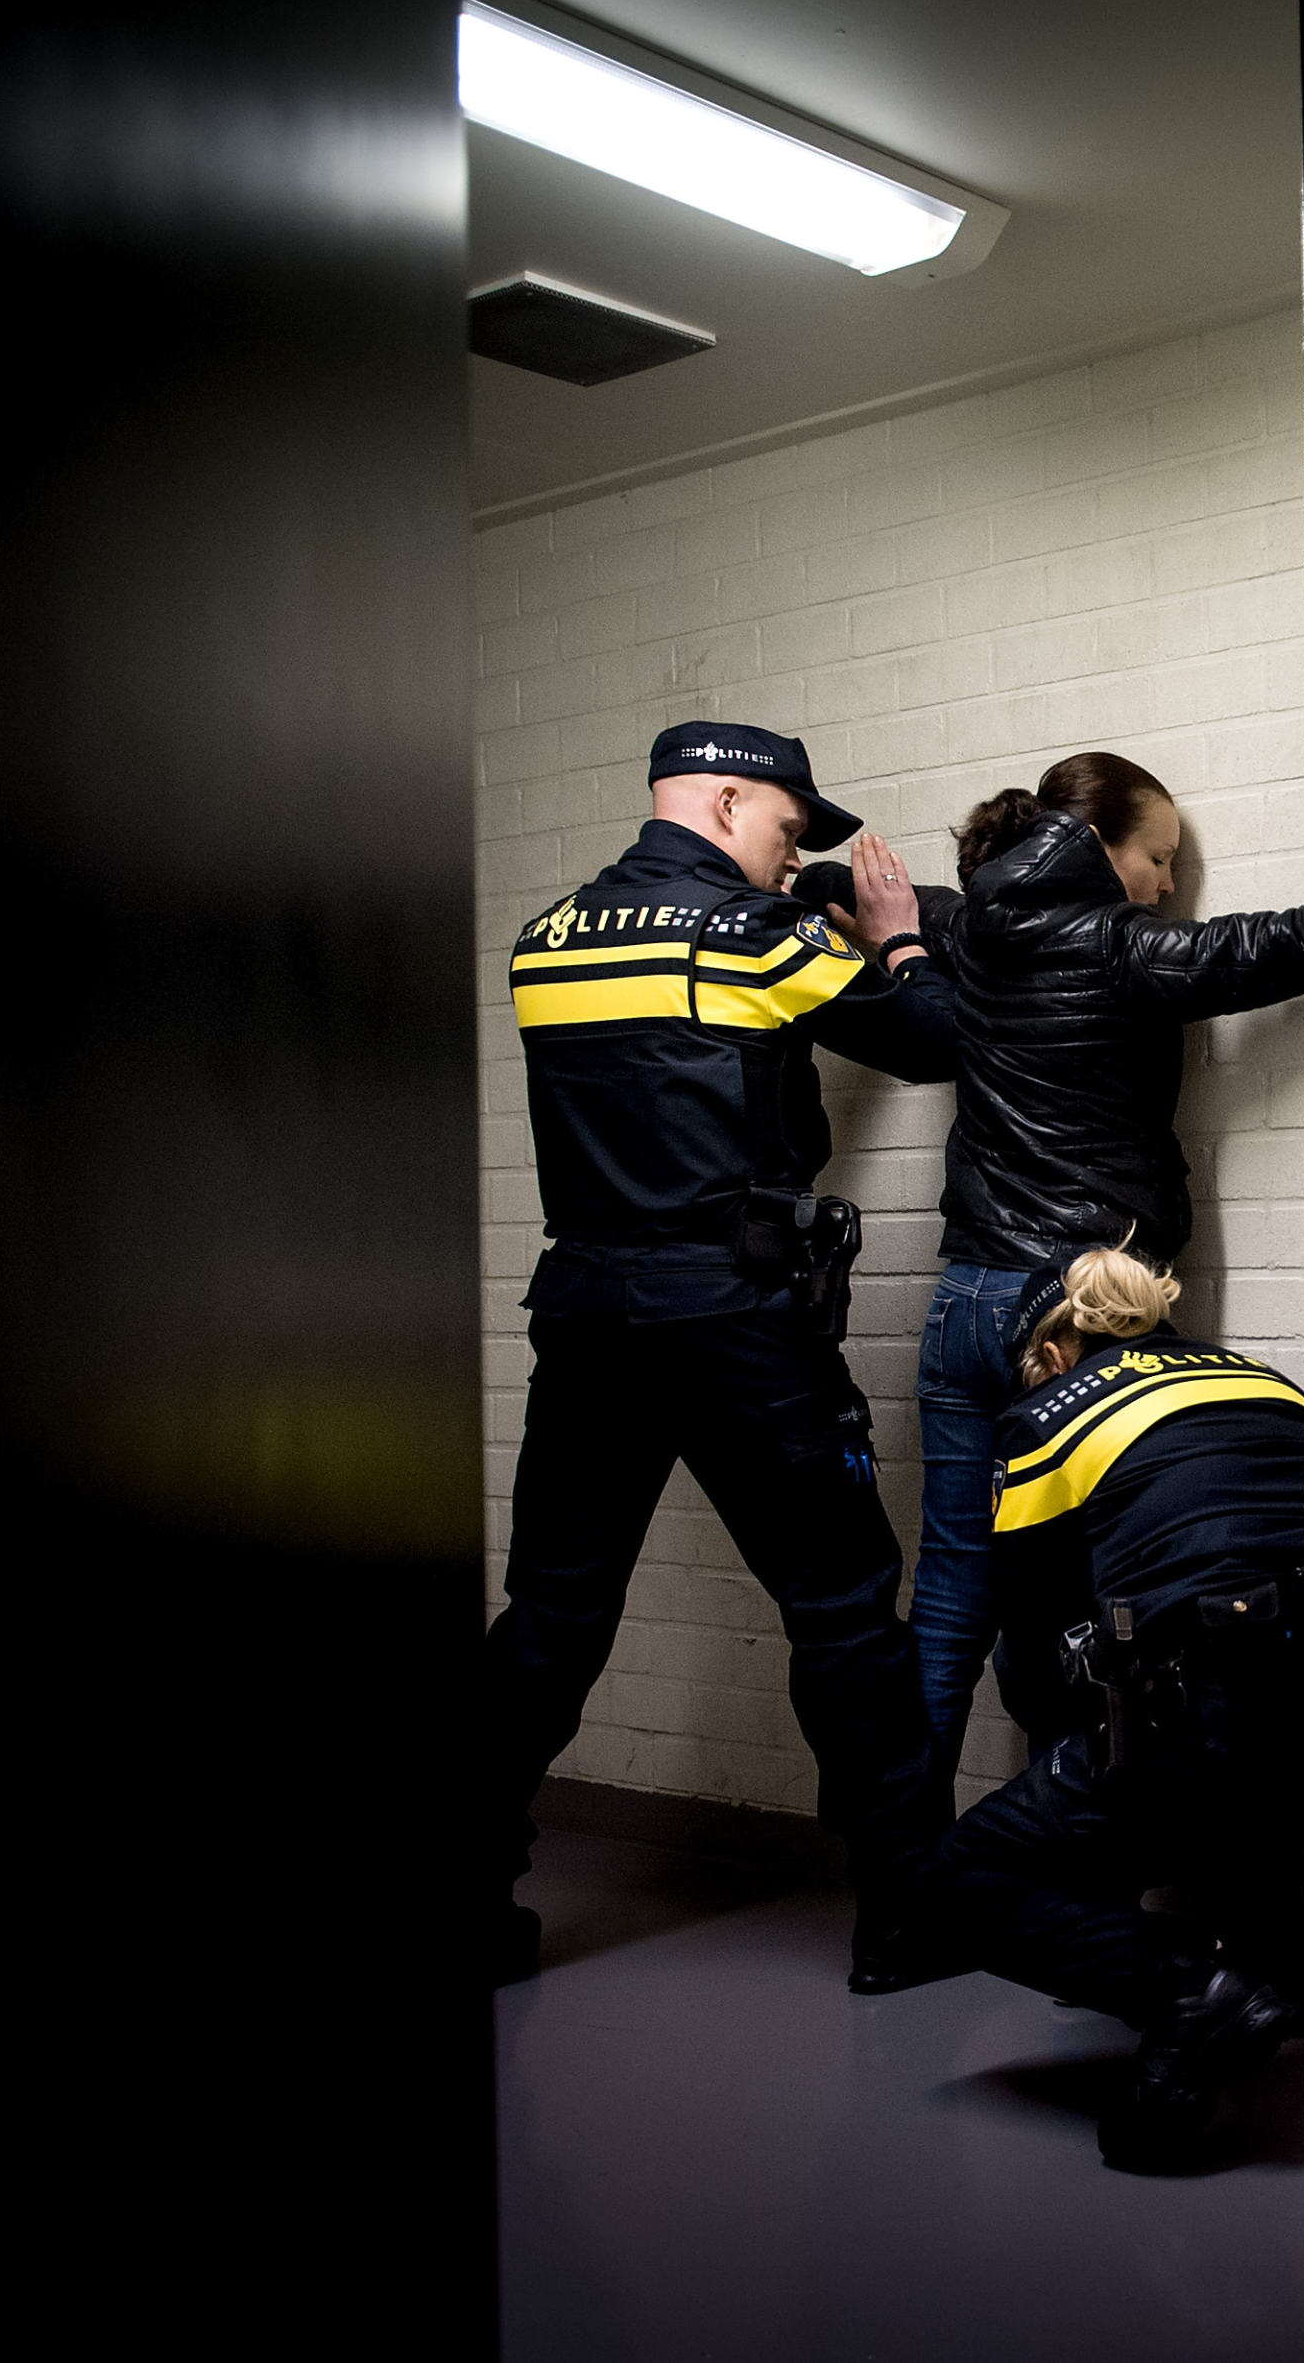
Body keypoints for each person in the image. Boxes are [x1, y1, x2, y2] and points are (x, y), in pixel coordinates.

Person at [486, 719, 963, 1992]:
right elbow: (927, 1039)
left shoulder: (544, 941)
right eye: (786, 827)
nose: (791, 848)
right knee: (844, 1611)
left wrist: (799, 893)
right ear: (722, 802)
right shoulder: (755, 939)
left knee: (552, 1616)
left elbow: (676, 1026)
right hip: (738, 1321)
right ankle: (907, 1912)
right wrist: (898, 933)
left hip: (588, 1314)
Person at [911, 752, 1304, 1796]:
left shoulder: (969, 928)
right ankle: (1069, 1860)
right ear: (1099, 847)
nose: (1168, 882)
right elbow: (1267, 948)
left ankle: (896, 1891)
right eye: (1158, 857)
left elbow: (897, 900)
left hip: (965, 1297)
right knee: (1081, 1602)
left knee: (956, 1592)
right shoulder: (1119, 946)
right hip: (1078, 1309)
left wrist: (841, 895)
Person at [923, 1241, 1304, 2171]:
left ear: (1054, 1348)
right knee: (1239, 1700)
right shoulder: (1268, 1382)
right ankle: (1286, 1969)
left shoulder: (1045, 1421)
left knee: (956, 1886)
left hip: (1185, 1738)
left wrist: (1068, 1759)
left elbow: (1027, 1636)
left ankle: (1194, 1991)